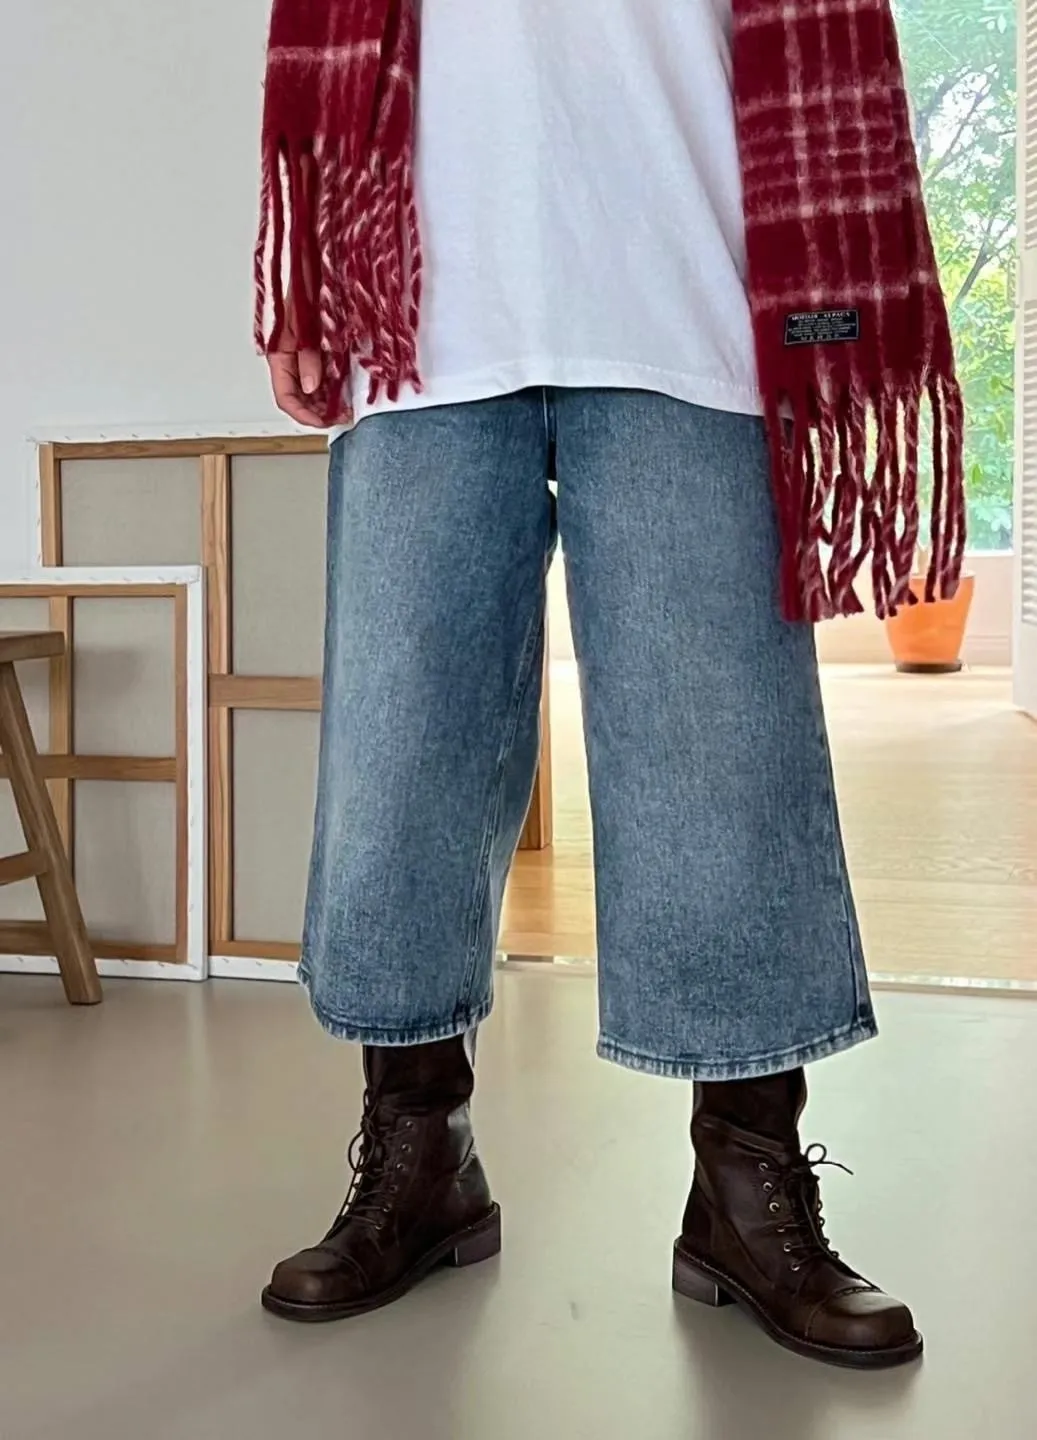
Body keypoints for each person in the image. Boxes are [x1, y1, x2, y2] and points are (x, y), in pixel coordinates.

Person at [253, 0, 964, 1369]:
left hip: (680, 282)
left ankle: (746, 1186)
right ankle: (420, 1154)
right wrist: (310, 268)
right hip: (422, 309)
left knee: (726, 764)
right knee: (398, 770)